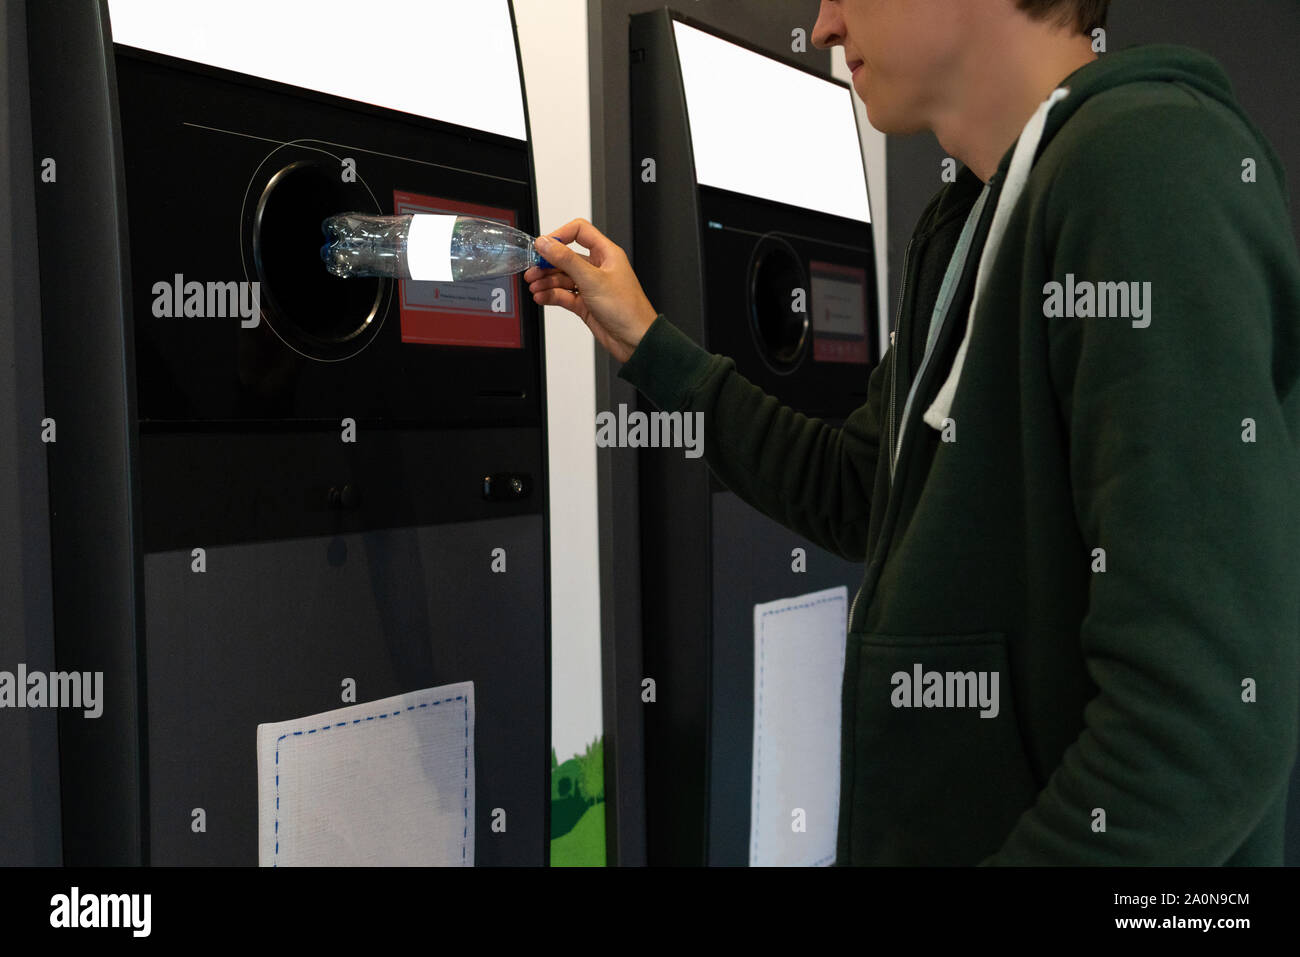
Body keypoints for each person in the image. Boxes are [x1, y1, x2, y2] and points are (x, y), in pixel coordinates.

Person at [524, 0, 1300, 865]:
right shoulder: (972, 217)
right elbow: (862, 490)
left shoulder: (1148, 167)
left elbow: (1200, 730)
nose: (822, 27)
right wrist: (650, 344)